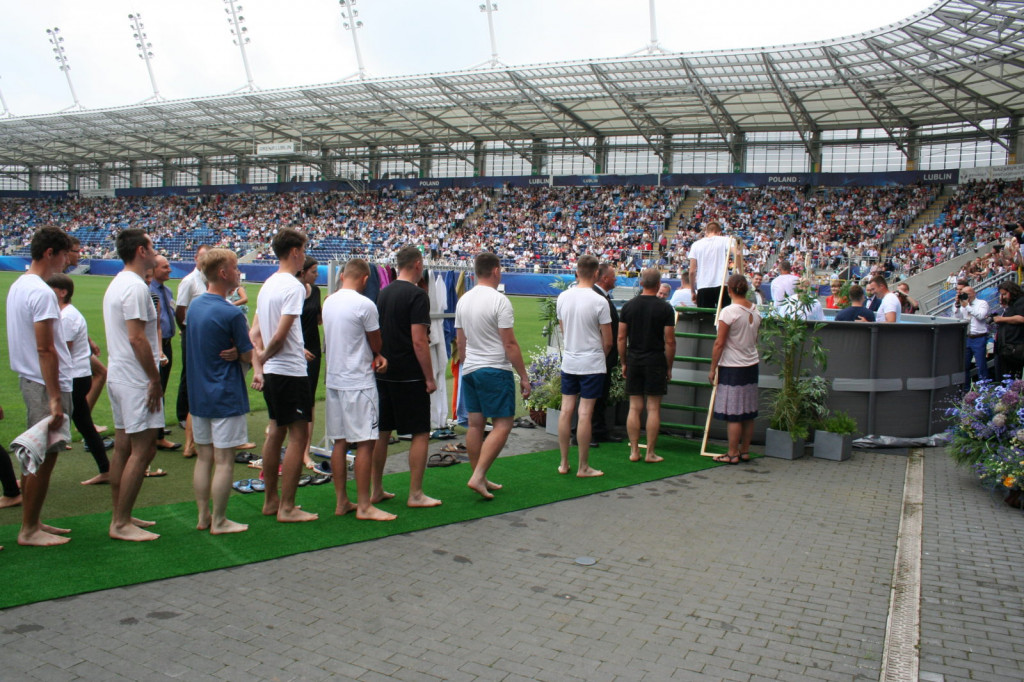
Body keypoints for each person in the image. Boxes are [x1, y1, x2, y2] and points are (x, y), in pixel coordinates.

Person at [6, 226, 74, 546]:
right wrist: (56, 398)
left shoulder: (21, 285)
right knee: (42, 459)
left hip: (31, 379)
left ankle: (33, 521)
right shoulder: (42, 292)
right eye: (63, 255)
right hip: (44, 383)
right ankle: (29, 529)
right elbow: (45, 348)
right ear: (50, 253)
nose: (67, 261)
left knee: (34, 456)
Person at [250, 228, 318, 523]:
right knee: (298, 435)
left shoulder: (267, 284)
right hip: (288, 371)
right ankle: (287, 507)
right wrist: (265, 357)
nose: (304, 254)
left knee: (277, 429)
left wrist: (261, 363)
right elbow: (280, 333)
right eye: (303, 249)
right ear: (294, 252)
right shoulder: (293, 286)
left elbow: (254, 333)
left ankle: (271, 500)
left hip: (276, 372)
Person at [185, 248, 253, 534]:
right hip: (225, 393)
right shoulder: (231, 312)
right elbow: (249, 356)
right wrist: (239, 352)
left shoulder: (195, 306)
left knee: (204, 457)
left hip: (199, 394)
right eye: (235, 268)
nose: (239, 272)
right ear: (223, 273)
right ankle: (220, 520)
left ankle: (204, 516)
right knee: (224, 461)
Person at [455, 252, 532, 499]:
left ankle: (480, 475)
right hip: (494, 369)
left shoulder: (463, 300)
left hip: (471, 369)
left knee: (476, 425)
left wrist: (469, 364)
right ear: (496, 271)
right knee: (503, 424)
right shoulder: (500, 301)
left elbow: (460, 341)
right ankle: (478, 476)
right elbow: (509, 343)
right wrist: (524, 375)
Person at [103, 228, 163, 541]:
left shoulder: (118, 283)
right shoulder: (137, 288)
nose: (155, 251)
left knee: (125, 447)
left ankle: (120, 514)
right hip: (135, 378)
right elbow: (137, 337)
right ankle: (121, 522)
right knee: (143, 449)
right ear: (141, 250)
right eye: (151, 246)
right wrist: (154, 378)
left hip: (120, 373)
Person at [322, 258, 394, 520]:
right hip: (359, 380)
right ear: (365, 279)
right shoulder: (365, 304)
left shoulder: (329, 301)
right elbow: (376, 342)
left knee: (340, 441)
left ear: (342, 276)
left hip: (335, 379)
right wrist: (379, 355)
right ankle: (364, 505)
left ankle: (342, 501)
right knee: (365, 442)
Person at [371, 245, 442, 507]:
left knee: (383, 432)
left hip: (385, 370)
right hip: (409, 373)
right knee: (420, 432)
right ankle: (415, 493)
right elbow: (419, 341)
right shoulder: (417, 295)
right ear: (417, 264)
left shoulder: (384, 293)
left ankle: (376, 489)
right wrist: (430, 378)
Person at [47, 274, 112, 486]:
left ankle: (32, 475)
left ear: (62, 292)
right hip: (77, 375)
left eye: (52, 289)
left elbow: (63, 349)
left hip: (73, 377)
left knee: (51, 422)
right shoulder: (67, 314)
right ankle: (105, 469)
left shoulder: (66, 317)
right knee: (84, 425)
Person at [556, 254, 612, 477]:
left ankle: (563, 463)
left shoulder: (563, 297)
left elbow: (563, 329)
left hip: (570, 360)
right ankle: (583, 466)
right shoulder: (600, 301)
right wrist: (600, 354)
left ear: (577, 272)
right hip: (591, 362)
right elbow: (607, 340)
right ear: (597, 274)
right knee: (585, 413)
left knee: (566, 410)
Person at [618, 268, 676, 464]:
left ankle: (634, 450)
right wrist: (669, 367)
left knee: (634, 407)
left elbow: (621, 337)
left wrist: (624, 361)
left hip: (635, 358)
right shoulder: (665, 308)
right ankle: (650, 452)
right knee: (653, 408)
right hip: (655, 359)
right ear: (659, 285)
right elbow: (669, 341)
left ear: (641, 283)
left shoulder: (628, 307)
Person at [708, 274, 761, 465]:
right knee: (748, 411)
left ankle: (732, 453)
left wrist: (713, 368)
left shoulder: (728, 312)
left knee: (734, 413)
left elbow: (719, 343)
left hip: (732, 365)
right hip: (751, 363)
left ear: (729, 290)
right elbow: (755, 339)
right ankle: (744, 451)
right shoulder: (755, 310)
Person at [174, 244, 210, 457]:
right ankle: (182, 414)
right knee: (189, 374)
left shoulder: (206, 280)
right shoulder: (189, 281)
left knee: (198, 374)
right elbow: (180, 309)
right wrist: (186, 330)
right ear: (196, 258)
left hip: (204, 334)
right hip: (192, 333)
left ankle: (196, 416)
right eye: (202, 257)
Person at [149, 255, 181, 452]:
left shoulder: (166, 291)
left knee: (162, 387)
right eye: (165, 267)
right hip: (156, 346)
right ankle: (157, 435)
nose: (169, 269)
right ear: (153, 270)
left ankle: (157, 428)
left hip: (167, 343)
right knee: (156, 387)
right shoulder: (149, 292)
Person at [589, 263, 621, 444]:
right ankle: (590, 432)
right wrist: (603, 354)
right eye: (613, 275)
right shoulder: (597, 297)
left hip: (603, 355)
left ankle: (599, 430)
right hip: (599, 355)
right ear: (604, 278)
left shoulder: (602, 296)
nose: (616, 278)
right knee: (593, 394)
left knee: (601, 394)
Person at [297, 256, 322, 468]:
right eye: (314, 271)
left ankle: (305, 451)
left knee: (309, 401)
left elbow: (318, 320)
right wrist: (297, 348)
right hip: (294, 350)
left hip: (313, 351)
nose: (317, 275)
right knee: (294, 400)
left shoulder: (316, 291)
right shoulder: (293, 292)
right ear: (303, 271)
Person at [689, 221, 741, 308]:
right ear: (719, 232)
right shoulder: (727, 240)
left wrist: (692, 291)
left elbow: (692, 271)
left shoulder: (696, 245)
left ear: (706, 232)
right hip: (722, 284)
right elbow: (737, 254)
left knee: (705, 319)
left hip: (703, 286)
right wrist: (741, 275)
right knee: (724, 317)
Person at [953, 285, 990, 388]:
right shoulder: (963, 304)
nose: (966, 296)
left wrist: (967, 306)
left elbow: (981, 316)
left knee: (981, 365)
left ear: (973, 293)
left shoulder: (982, 303)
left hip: (979, 337)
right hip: (967, 337)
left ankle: (984, 389)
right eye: (963, 294)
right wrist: (957, 305)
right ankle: (965, 389)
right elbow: (957, 317)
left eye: (967, 294)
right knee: (964, 365)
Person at [994, 281, 1024, 380]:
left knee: (1013, 375)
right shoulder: (1011, 305)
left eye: (1005, 294)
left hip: (1015, 347)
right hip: (1006, 346)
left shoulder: (1020, 301)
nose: (1003, 297)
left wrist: (1002, 319)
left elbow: (1021, 318)